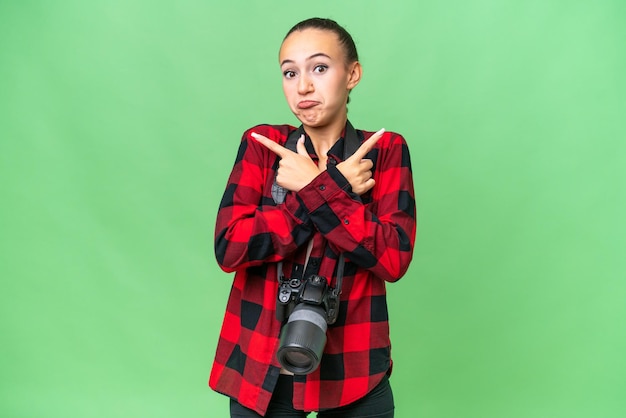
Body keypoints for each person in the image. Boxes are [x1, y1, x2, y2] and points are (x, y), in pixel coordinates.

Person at [209, 17, 416, 418]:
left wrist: (314, 187)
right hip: (262, 362)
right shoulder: (263, 146)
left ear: (352, 74)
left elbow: (393, 258)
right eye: (290, 72)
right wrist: (333, 187)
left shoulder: (384, 151)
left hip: (354, 367)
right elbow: (230, 247)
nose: (303, 86)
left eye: (320, 68)